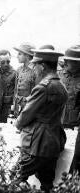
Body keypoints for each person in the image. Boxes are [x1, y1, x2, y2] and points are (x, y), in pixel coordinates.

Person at [14, 49, 67, 192]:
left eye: (35, 65)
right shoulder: (61, 86)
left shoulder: (43, 87)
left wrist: (17, 124)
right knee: (47, 183)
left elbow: (26, 114)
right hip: (54, 142)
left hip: (37, 144)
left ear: (42, 66)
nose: (34, 68)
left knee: (15, 177)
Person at [58, 46, 80, 174]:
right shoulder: (59, 75)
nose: (65, 63)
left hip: (73, 124)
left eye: (69, 61)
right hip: (57, 121)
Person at [12, 43, 36, 117]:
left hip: (29, 107)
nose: (17, 56)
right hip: (18, 105)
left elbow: (37, 92)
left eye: (20, 54)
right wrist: (14, 104)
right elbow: (16, 89)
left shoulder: (35, 71)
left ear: (27, 55)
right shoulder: (19, 70)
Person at [0, 50, 17, 123]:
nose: (6, 64)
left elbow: (16, 92)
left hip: (7, 107)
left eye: (8, 62)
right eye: (3, 62)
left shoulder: (14, 73)